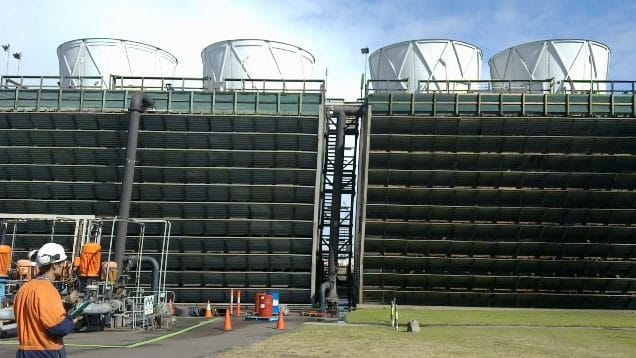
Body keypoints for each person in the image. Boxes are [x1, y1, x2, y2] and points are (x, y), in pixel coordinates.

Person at [13, 243, 81, 358]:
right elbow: (57, 328)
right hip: (45, 351)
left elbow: (35, 315)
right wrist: (71, 321)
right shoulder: (47, 290)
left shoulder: (24, 289)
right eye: (62, 263)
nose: (64, 266)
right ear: (55, 265)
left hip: (24, 351)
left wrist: (65, 306)